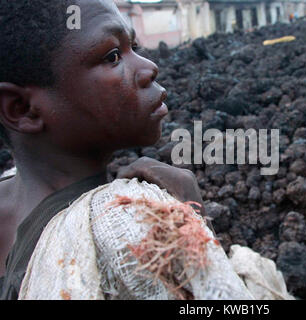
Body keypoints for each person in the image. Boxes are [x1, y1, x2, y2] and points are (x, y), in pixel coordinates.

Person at [0, 0, 210, 299]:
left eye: (133, 47)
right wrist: (195, 235)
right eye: (113, 56)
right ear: (22, 109)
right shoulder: (118, 239)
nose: (150, 67)